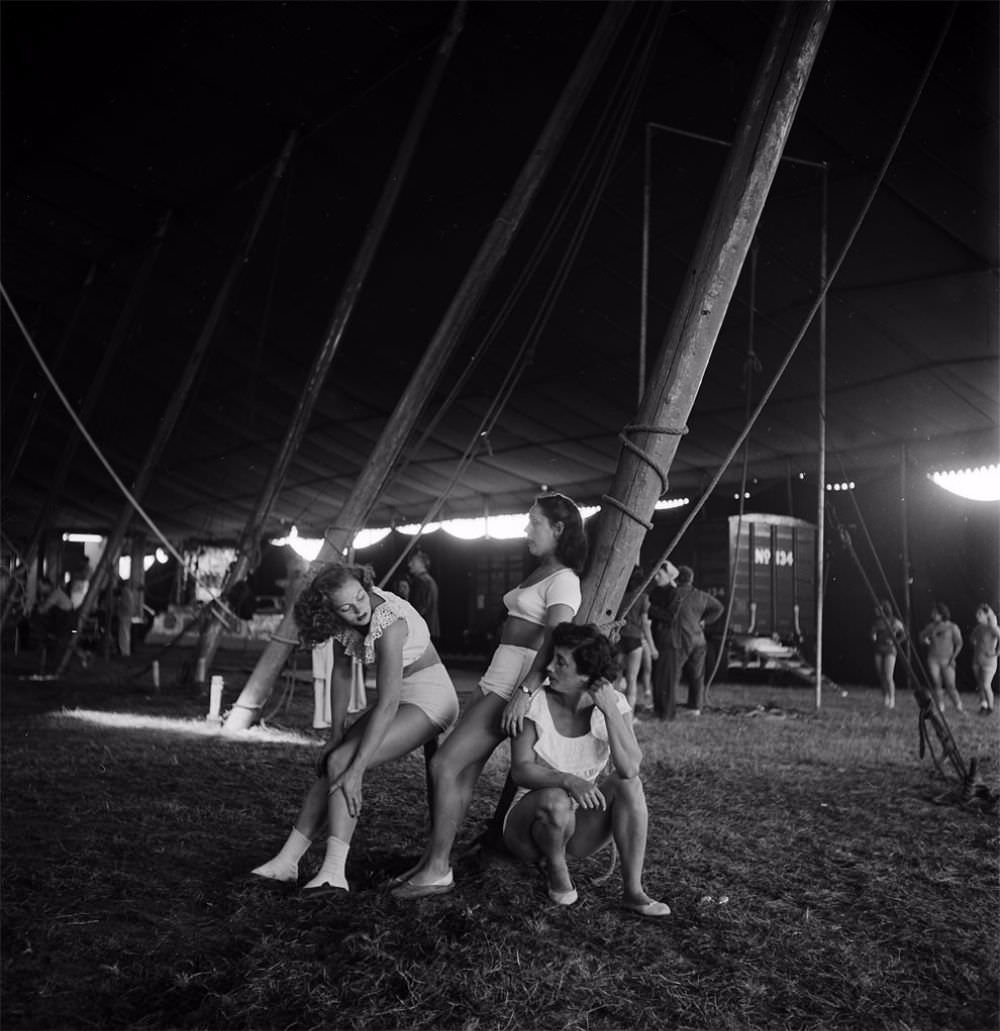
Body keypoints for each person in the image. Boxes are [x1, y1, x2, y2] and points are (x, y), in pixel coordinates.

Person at [390, 493, 586, 899]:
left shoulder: (564, 579)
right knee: (462, 771)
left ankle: (439, 868)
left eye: (534, 522)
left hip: (515, 681)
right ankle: (433, 861)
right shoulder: (541, 571)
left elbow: (556, 639)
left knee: (445, 764)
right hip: (499, 675)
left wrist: (525, 692)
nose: (526, 529)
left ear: (559, 529)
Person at [251, 563, 459, 894]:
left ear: (365, 587)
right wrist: (335, 736)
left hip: (429, 697)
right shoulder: (342, 624)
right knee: (334, 760)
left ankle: (334, 872)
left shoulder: (388, 622)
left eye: (360, 597)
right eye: (347, 607)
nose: (358, 608)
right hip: (399, 697)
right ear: (331, 611)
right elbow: (343, 674)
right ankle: (288, 861)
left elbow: (388, 702)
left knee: (347, 764)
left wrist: (359, 768)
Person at [502, 622, 670, 917]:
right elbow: (521, 770)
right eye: (553, 657)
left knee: (629, 785)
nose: (549, 667)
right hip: (527, 826)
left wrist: (609, 709)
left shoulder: (611, 705)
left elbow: (630, 768)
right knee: (555, 797)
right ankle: (556, 868)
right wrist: (569, 781)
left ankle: (633, 891)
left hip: (577, 828)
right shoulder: (535, 703)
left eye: (561, 662)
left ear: (587, 676)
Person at [661, 566, 723, 716]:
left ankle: (670, 707)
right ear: (691, 579)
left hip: (681, 639)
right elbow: (719, 608)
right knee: (697, 674)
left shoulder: (674, 594)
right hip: (699, 640)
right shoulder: (701, 595)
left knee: (674, 674)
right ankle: (695, 707)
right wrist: (705, 621)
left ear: (677, 578)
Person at [617, 566, 655, 711]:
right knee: (632, 678)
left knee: (617, 677)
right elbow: (645, 624)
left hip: (619, 639)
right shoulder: (643, 598)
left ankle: (616, 711)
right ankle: (630, 715)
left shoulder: (620, 596)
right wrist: (652, 647)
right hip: (634, 639)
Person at [647, 562, 678, 720]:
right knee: (656, 678)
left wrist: (650, 609)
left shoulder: (674, 593)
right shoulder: (654, 592)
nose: (656, 577)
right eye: (655, 574)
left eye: (659, 574)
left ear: (668, 575)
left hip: (667, 640)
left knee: (666, 678)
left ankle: (667, 713)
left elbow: (670, 616)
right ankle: (658, 709)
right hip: (655, 638)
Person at [919, 603, 963, 713]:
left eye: (935, 614)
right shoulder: (931, 626)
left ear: (942, 614)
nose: (933, 615)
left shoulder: (952, 627)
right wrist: (925, 640)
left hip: (947, 660)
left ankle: (958, 705)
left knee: (950, 685)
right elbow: (921, 636)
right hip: (933, 659)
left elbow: (959, 643)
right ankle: (940, 705)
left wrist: (953, 657)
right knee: (937, 683)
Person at [870, 599, 905, 709]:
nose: (876, 610)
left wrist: (896, 642)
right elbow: (873, 633)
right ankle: (885, 696)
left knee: (888, 675)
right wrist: (873, 636)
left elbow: (903, 634)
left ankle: (892, 698)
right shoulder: (877, 622)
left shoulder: (894, 621)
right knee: (881, 675)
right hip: (878, 649)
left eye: (878, 608)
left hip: (890, 650)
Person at [968, 604, 999, 715]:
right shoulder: (978, 628)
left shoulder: (993, 628)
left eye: (980, 614)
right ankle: (983, 705)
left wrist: (996, 652)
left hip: (989, 661)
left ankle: (990, 707)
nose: (977, 616)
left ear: (987, 615)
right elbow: (972, 639)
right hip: (977, 660)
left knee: (986, 684)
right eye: (977, 613)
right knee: (980, 684)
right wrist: (975, 643)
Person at [407, 550, 440, 641]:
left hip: (421, 631)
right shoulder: (430, 580)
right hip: (430, 628)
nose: (409, 565)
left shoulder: (420, 581)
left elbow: (418, 608)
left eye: (413, 562)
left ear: (421, 564)